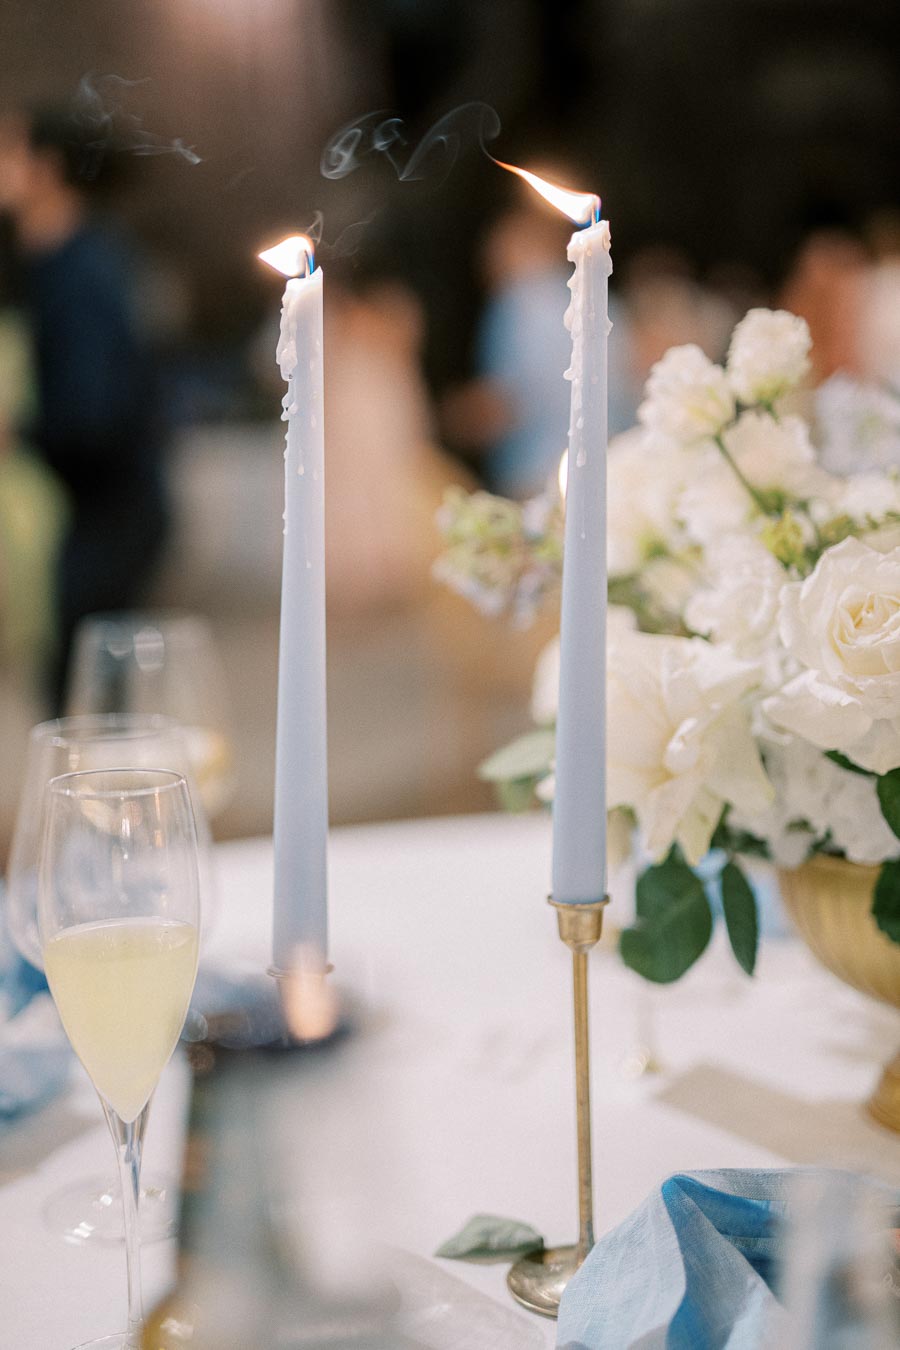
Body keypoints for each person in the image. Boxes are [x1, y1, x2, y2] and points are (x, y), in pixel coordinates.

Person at [0, 103, 170, 711]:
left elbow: (94, 412)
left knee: (86, 704)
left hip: (110, 512)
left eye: (10, 150)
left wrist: (18, 431)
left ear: (46, 170)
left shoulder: (85, 271)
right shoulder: (51, 263)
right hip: (89, 509)